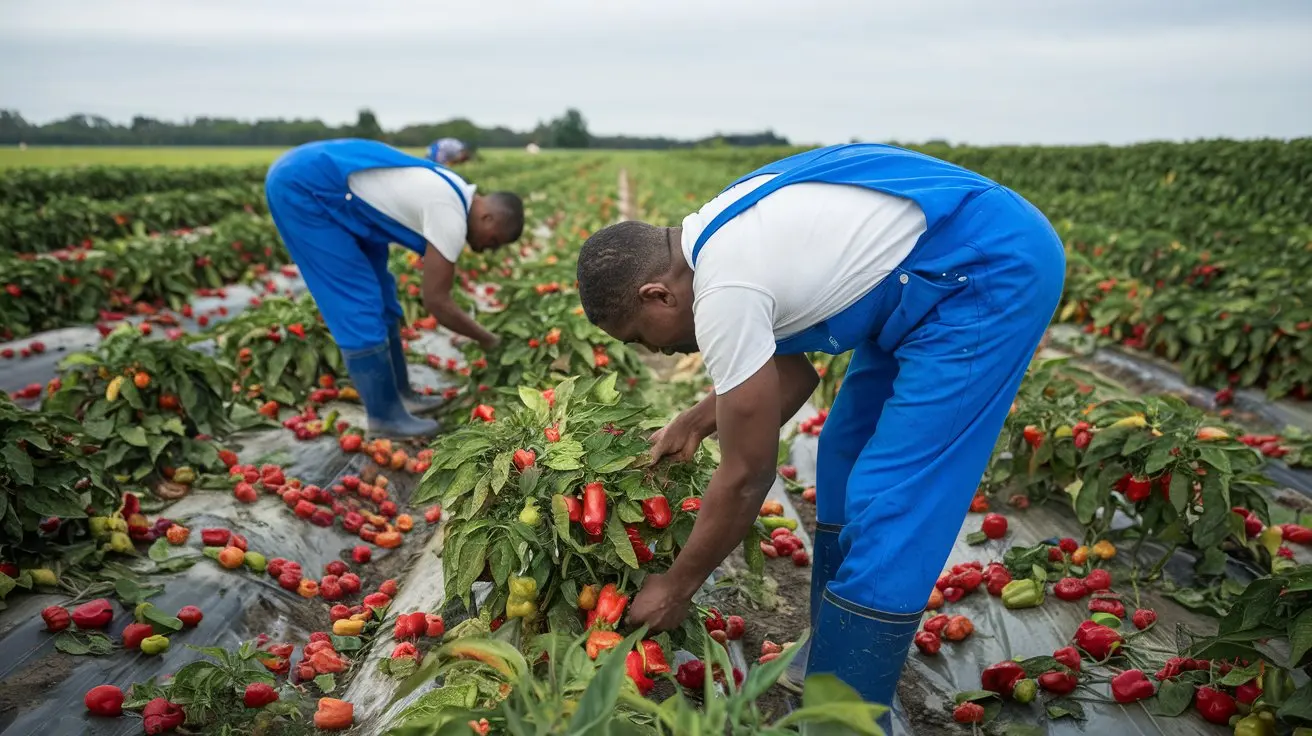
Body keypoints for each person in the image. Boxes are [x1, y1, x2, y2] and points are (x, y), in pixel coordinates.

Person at [575, 143, 1064, 719]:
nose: (654, 349)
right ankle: (834, 653)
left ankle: (844, 716)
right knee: (843, 455)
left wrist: (677, 584)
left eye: (640, 336)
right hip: (919, 278)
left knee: (893, 497)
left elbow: (747, 475)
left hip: (983, 268)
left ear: (657, 294)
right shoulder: (715, 240)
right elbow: (792, 375)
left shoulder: (724, 289)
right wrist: (695, 420)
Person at [265, 138, 523, 438]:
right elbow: (437, 302)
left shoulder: (456, 189)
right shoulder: (450, 214)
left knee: (384, 298)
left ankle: (401, 396)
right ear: (487, 216)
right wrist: (488, 340)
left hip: (342, 196)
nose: (483, 250)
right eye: (492, 241)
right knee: (357, 301)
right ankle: (384, 416)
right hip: (307, 189)